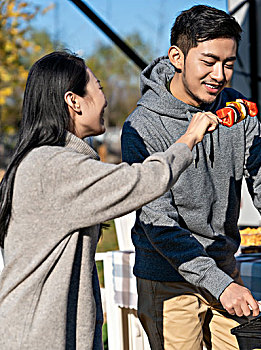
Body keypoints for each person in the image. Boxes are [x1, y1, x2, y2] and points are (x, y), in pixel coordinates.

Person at [120, 5, 261, 350]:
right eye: (209, 61)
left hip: (225, 268)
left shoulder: (240, 113)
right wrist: (219, 284)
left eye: (229, 63)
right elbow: (159, 220)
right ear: (176, 56)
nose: (220, 74)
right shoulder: (142, 127)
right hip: (169, 277)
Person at [0, 51, 219, 349]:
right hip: (37, 335)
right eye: (99, 87)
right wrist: (188, 138)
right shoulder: (52, 166)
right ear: (73, 101)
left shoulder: (46, 161)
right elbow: (142, 181)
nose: (104, 100)